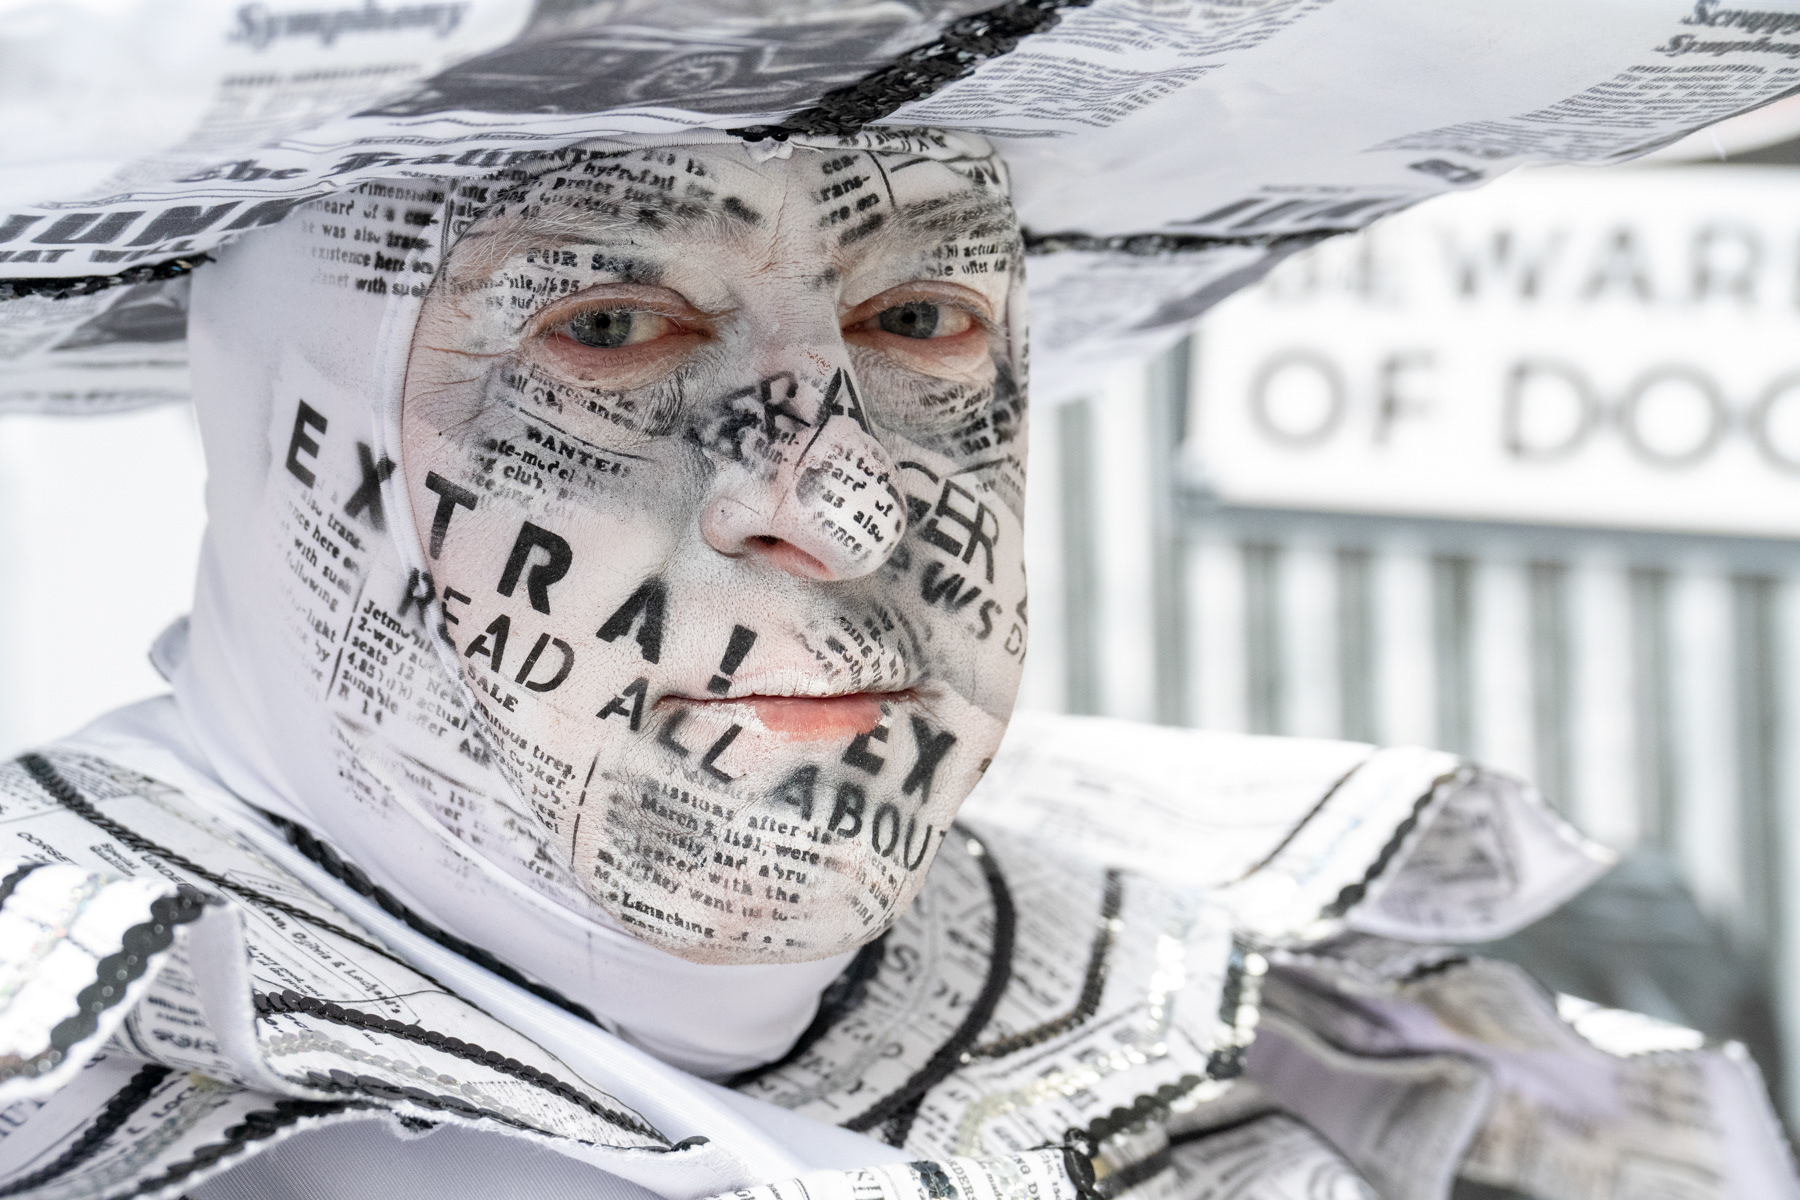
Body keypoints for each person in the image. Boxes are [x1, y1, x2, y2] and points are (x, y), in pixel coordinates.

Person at [0, 128, 1792, 1200]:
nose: (843, 509)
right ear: (292, 434)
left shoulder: (1274, 1049)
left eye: (918, 319)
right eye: (611, 326)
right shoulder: (61, 1066)